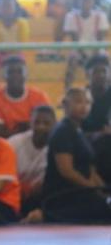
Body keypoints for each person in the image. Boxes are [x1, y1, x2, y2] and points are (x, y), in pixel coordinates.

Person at [28, 88, 108, 224]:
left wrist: (103, 190)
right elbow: (67, 171)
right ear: (65, 105)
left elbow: (90, 169)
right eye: (78, 102)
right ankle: (45, 216)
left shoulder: (79, 131)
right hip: (63, 192)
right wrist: (90, 187)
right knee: (101, 208)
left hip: (80, 189)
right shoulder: (62, 131)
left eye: (88, 102)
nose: (84, 106)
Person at [0, 56, 51, 138]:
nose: (15, 75)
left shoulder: (39, 97)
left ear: (25, 74)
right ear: (4, 75)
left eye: (20, 71)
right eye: (11, 72)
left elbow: (48, 125)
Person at [8, 105, 56, 215]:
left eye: (46, 123)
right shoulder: (14, 143)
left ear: (54, 124)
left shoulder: (59, 147)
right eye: (37, 122)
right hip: (13, 193)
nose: (41, 127)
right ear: (30, 123)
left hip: (40, 196)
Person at [61, 0, 108, 89]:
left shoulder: (101, 16)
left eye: (88, 0)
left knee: (105, 64)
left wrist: (94, 54)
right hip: (78, 49)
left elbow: (100, 39)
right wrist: (84, 55)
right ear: (78, 2)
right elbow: (75, 39)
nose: (85, 3)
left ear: (93, 2)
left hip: (97, 49)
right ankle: (67, 90)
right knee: (72, 62)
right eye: (83, 0)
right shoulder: (71, 16)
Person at [0, 0, 30, 89]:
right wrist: (4, 51)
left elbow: (23, 41)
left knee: (20, 63)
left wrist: (12, 51)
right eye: (3, 6)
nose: (6, 9)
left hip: (18, 53)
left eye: (9, 6)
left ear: (15, 7)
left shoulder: (22, 23)